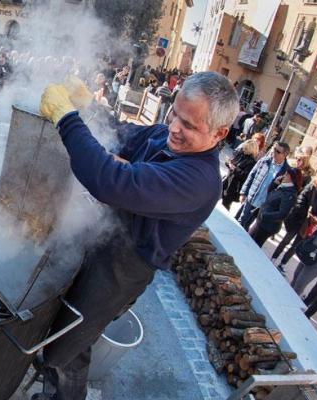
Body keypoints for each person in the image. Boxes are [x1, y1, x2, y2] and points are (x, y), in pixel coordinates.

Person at [35, 71, 239, 399]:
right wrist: (89, 107)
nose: (174, 127)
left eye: (189, 125)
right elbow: (121, 135)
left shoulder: (199, 181)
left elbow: (112, 181)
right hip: (103, 236)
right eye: (175, 114)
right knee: (65, 325)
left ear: (220, 133)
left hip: (123, 268)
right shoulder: (165, 136)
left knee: (67, 347)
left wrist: (67, 119)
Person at [239, 142, 290, 230]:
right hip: (252, 197)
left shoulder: (286, 171)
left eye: (277, 151)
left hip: (264, 205)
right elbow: (251, 175)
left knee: (247, 226)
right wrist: (243, 192)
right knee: (241, 220)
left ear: (284, 155)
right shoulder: (264, 161)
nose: (273, 152)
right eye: (273, 149)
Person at [248, 167, 301, 247]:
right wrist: (275, 183)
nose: (284, 176)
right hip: (262, 221)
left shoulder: (290, 194)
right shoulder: (284, 186)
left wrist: (265, 215)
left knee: (251, 246)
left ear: (291, 178)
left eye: (286, 174)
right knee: (249, 241)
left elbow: (283, 214)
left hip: (267, 226)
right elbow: (270, 195)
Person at [221, 138, 260, 209]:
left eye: (246, 149)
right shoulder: (241, 154)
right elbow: (232, 162)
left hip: (234, 187)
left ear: (251, 150)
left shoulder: (252, 162)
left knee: (225, 204)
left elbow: (245, 175)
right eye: (244, 148)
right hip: (227, 180)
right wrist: (228, 163)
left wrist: (234, 169)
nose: (244, 149)